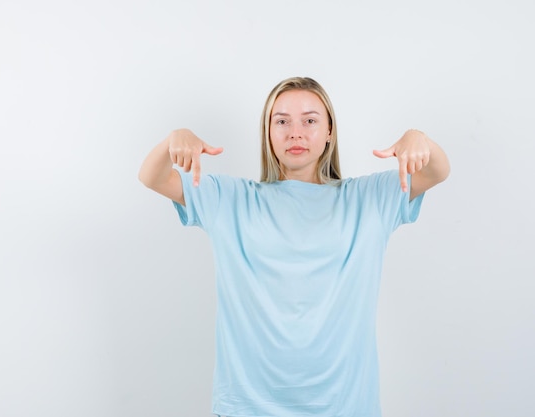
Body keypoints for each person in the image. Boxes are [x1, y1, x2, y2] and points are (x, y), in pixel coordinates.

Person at [138, 77, 450, 417]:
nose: (295, 133)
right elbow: (152, 177)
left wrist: (419, 139)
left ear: (329, 131)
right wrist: (174, 139)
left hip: (346, 407)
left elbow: (437, 171)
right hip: (248, 408)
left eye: (310, 120)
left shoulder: (369, 198)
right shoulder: (229, 199)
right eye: (282, 121)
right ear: (268, 132)